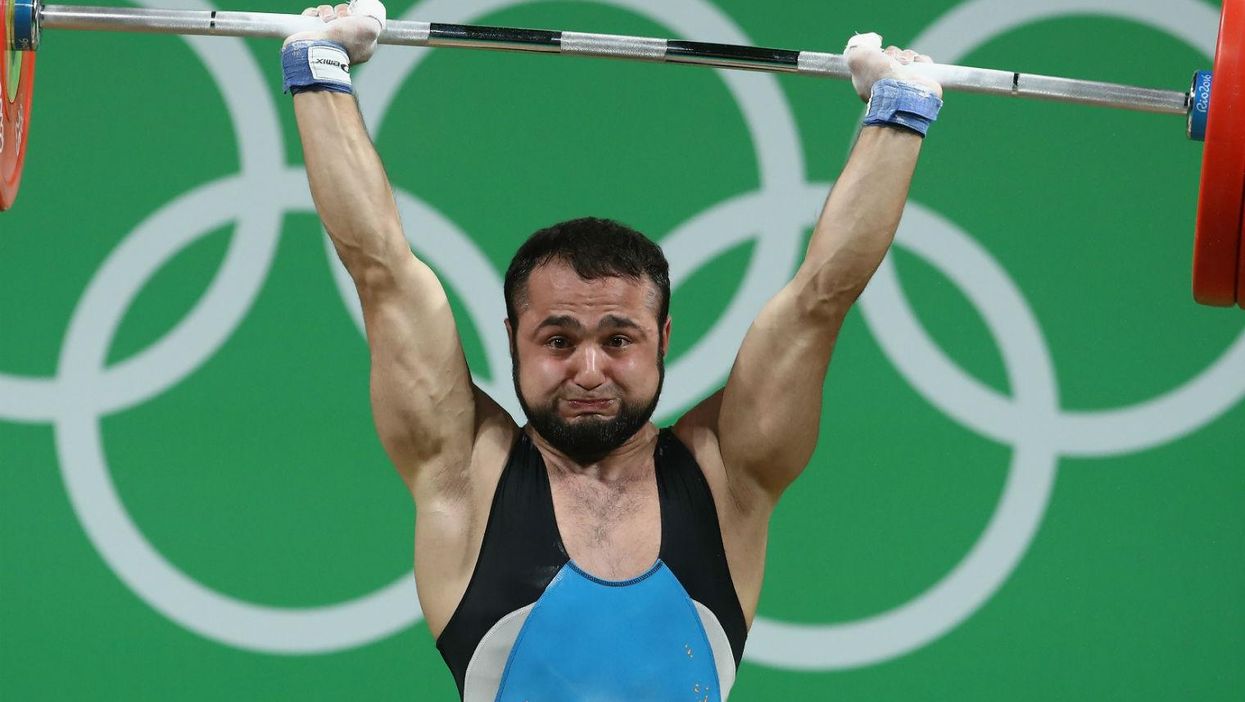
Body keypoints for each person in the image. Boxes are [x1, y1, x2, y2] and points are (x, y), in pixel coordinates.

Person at [282, 2, 943, 699]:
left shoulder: (726, 474)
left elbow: (819, 302)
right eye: (559, 340)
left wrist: (896, 116)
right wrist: (318, 75)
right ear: (513, 338)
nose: (588, 370)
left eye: (618, 340)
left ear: (661, 339)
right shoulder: (464, 474)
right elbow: (380, 271)